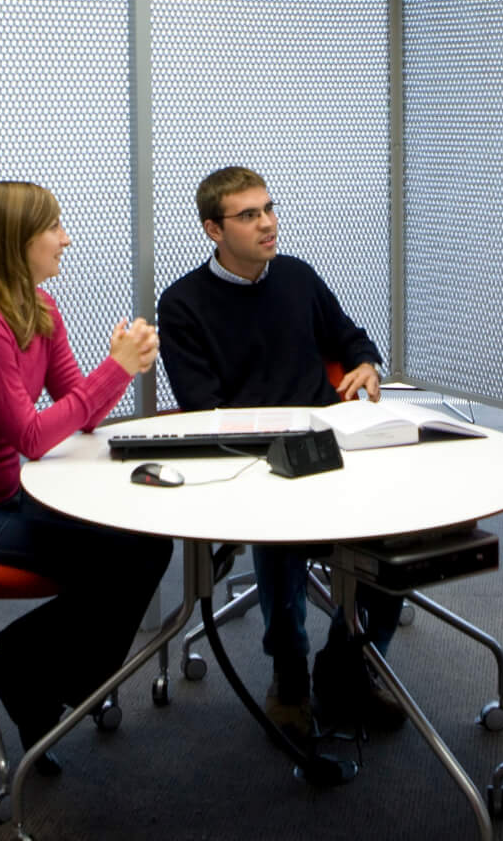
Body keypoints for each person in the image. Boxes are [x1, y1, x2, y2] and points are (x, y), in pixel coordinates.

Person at [156, 165, 403, 745]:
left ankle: (348, 667)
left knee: (403, 534)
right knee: (280, 537)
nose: (268, 224)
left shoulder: (296, 276)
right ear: (213, 230)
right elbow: (202, 409)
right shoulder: (184, 303)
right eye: (249, 215)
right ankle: (289, 675)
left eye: (269, 209)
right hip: (252, 462)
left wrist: (367, 363)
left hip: (332, 447)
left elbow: (351, 338)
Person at [0, 180, 172, 772]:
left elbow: (81, 409)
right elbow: (31, 435)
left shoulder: (40, 309)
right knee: (117, 558)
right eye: (53, 228)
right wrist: (116, 368)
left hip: (5, 496)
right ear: (15, 241)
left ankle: (24, 666)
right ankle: (30, 674)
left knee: (147, 543)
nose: (65, 239)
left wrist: (118, 366)